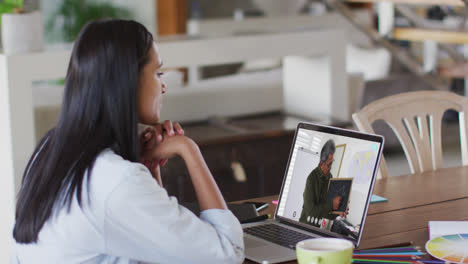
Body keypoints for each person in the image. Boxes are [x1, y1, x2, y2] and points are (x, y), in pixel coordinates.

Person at [12, 19, 244, 264]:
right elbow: (227, 253)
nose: (163, 86)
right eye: (158, 73)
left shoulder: (51, 150)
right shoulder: (116, 180)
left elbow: (157, 245)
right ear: (127, 81)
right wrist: (189, 150)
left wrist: (150, 169)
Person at [299, 139, 348, 226]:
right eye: (329, 165)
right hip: (305, 227)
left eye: (332, 163)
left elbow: (326, 212)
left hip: (319, 228)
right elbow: (310, 212)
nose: (331, 168)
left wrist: (338, 211)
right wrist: (332, 204)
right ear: (322, 163)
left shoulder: (330, 177)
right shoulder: (311, 179)